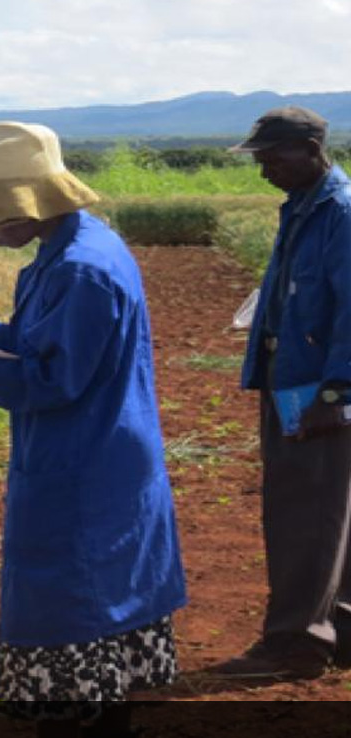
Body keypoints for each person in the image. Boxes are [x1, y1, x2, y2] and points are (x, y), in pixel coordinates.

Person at [0, 121, 187, 735]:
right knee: (101, 618)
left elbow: (51, 381)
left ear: (25, 204)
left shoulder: (80, 270)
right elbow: (43, 342)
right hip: (100, 455)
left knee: (75, 616)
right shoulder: (78, 247)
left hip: (83, 467)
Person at [213, 106, 351, 680]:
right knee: (331, 513)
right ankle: (339, 631)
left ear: (312, 150)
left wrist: (335, 395)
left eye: (273, 156)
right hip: (292, 380)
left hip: (318, 391)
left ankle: (295, 644)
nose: (263, 167)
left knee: (304, 515)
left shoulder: (340, 214)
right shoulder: (303, 206)